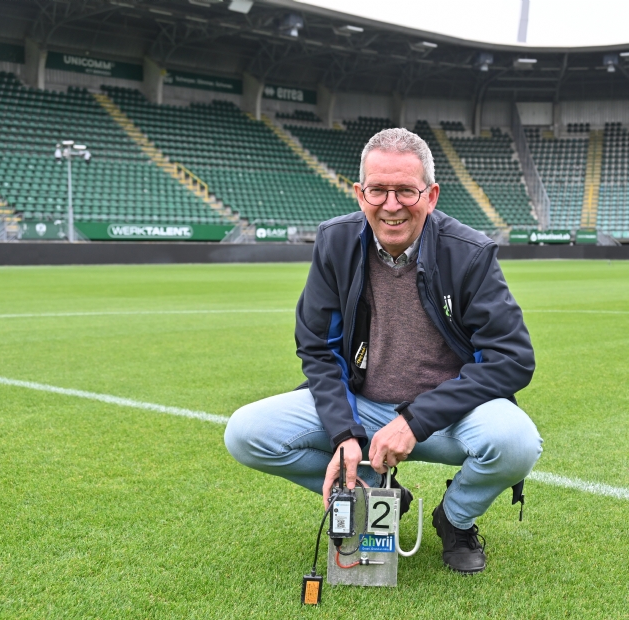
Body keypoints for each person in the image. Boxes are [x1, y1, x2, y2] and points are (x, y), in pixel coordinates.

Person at [225, 127, 542, 574]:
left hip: (449, 416)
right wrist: (343, 434)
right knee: (246, 432)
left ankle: (455, 519)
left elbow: (512, 359)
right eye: (378, 190)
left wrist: (414, 420)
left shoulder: (469, 253)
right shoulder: (335, 242)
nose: (391, 205)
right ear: (360, 194)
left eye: (406, 191)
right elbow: (318, 348)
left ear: (431, 195)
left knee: (517, 443)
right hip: (363, 405)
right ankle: (377, 492)